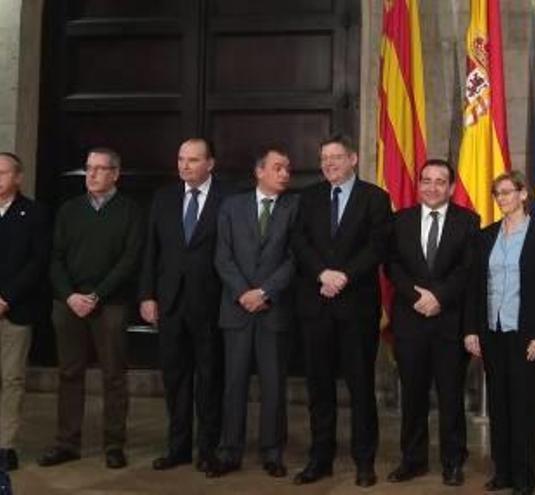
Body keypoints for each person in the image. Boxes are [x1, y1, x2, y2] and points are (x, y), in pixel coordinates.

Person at [291, 134, 391, 488]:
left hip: (356, 307)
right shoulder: (309, 197)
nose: (328, 164)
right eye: (324, 159)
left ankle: (364, 460)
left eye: (335, 157)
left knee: (361, 387)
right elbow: (299, 242)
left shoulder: (375, 198)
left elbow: (377, 246)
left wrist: (344, 275)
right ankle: (321, 458)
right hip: (316, 305)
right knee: (319, 389)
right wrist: (323, 273)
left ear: (353, 159)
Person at [40, 147, 143, 469]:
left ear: (115, 174)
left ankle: (114, 444)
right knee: (70, 374)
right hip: (68, 303)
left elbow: (129, 260)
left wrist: (97, 295)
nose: (93, 175)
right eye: (89, 168)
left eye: (100, 169)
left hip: (109, 304)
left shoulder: (130, 211)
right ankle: (67, 443)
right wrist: (69, 295)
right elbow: (55, 257)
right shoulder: (69, 210)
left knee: (114, 376)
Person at [385, 159, 479, 487]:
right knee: (412, 395)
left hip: (448, 322)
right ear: (419, 184)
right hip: (410, 322)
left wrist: (438, 296)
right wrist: (416, 297)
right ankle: (412, 460)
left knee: (451, 396)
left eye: (440, 181)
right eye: (426, 180)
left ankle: (453, 461)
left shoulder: (468, 222)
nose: (432, 187)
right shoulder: (399, 221)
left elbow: (467, 270)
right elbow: (392, 265)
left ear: (451, 187)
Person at [465, 171, 535, 495]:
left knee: (524, 409)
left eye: (508, 192)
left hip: (527, 336)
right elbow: (475, 288)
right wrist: (472, 330)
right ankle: (502, 472)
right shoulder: (486, 236)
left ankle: (524, 477)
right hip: (493, 332)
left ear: (523, 194)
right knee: (500, 407)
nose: (503, 199)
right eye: (498, 194)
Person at [139, 138, 230, 472]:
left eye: (193, 160)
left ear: (210, 164)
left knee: (209, 379)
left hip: (211, 303)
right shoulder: (164, 198)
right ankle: (177, 447)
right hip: (171, 303)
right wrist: (147, 295)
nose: (184, 166)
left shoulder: (229, 198)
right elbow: (152, 250)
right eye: (180, 159)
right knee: (175, 379)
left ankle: (208, 449)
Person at [208, 147, 298, 478]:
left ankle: (272, 451)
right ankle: (229, 450)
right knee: (234, 383)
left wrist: (264, 292)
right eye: (278, 168)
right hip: (237, 309)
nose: (285, 174)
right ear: (259, 171)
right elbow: (222, 256)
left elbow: (294, 258)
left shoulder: (294, 207)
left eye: (288, 169)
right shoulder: (231, 206)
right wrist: (243, 293)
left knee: (274, 384)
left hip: (273, 310)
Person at [0, 152, 50, 471]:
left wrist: (6, 298)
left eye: (3, 172)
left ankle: (5, 445)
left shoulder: (34, 213)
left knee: (11, 379)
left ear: (17, 177)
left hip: (14, 309)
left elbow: (37, 262)